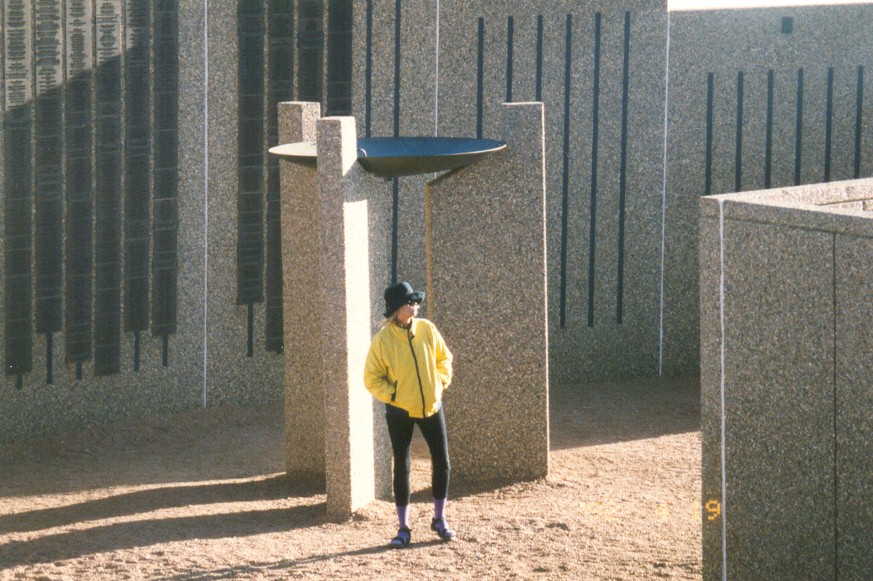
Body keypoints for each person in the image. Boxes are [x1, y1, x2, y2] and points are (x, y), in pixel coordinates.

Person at [364, 281, 456, 547]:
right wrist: (394, 396)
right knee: (402, 467)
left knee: (442, 462)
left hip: (431, 406)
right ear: (397, 308)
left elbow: (444, 358)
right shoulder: (382, 340)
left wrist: (440, 383)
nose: (415, 306)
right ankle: (403, 528)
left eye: (416, 301)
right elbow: (371, 378)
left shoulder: (427, 328)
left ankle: (439, 519)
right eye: (410, 302)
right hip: (399, 412)